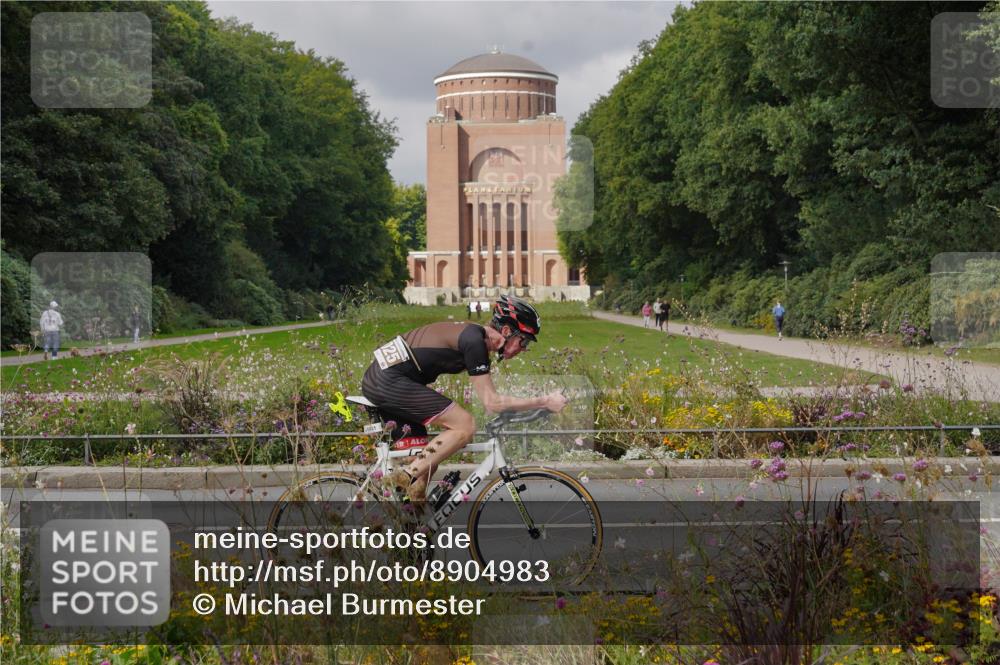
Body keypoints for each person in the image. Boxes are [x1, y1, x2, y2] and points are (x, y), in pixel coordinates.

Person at [362, 295, 567, 503]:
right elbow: (492, 402)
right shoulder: (473, 340)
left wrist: (518, 409)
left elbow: (491, 401)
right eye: (523, 340)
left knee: (425, 467)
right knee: (465, 425)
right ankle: (403, 476)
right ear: (506, 331)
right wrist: (544, 401)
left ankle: (411, 528)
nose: (524, 349)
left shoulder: (473, 336)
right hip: (388, 381)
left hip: (386, 379)